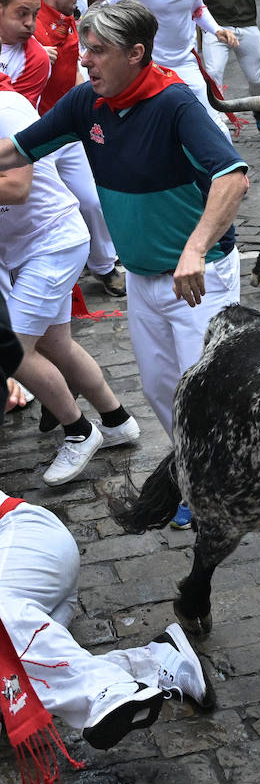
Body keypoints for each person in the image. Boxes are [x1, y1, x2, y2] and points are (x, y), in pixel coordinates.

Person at [0, 0, 250, 529]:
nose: (85, 61)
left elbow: (233, 177)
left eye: (98, 51)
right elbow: (16, 152)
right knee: (162, 391)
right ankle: (201, 476)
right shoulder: (85, 103)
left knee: (201, 396)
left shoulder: (177, 103)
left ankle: (219, 494)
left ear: (136, 54)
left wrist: (195, 249)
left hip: (198, 281)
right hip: (142, 276)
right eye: (85, 48)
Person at [0, 492, 212, 784]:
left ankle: (107, 688)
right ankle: (155, 661)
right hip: (25, 595)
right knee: (13, 678)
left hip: (24, 538)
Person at [0, 79, 137, 486]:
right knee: (55, 344)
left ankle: (79, 430)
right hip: (26, 248)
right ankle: (117, 421)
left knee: (13, 352)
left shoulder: (7, 107)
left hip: (52, 241)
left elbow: (18, 187)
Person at [34, 0, 124, 300]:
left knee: (92, 201)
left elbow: (74, 68)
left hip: (67, 128)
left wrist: (87, 103)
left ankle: (104, 267)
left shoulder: (69, 19)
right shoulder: (28, 26)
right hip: (36, 131)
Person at [104, 0, 241, 133]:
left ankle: (229, 164)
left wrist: (217, 30)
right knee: (153, 129)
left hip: (185, 61)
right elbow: (109, 8)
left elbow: (197, 8)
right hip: (149, 66)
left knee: (215, 126)